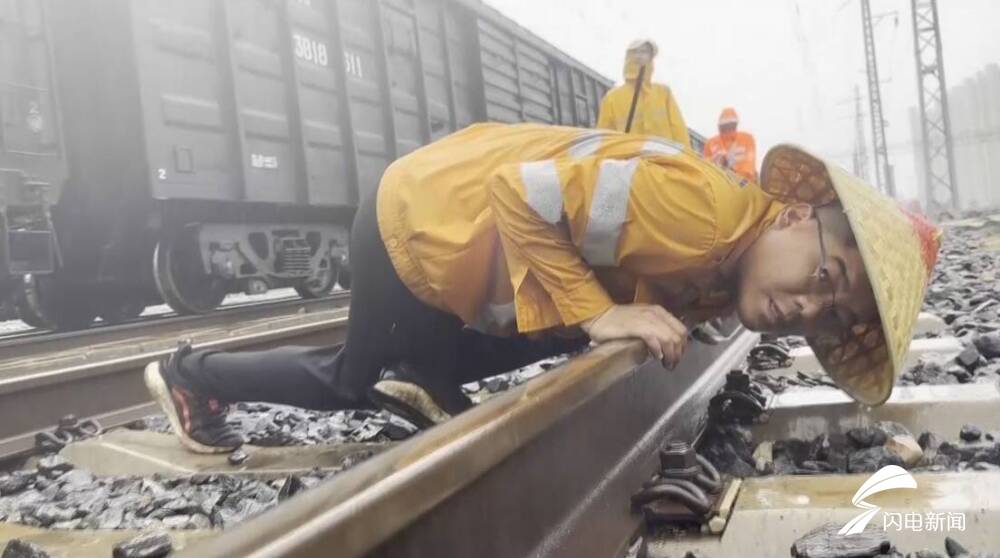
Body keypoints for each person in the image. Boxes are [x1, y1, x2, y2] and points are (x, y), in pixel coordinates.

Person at [144, 122, 940, 454]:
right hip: (420, 222)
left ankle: (390, 373)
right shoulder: (700, 213)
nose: (807, 308)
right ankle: (190, 375)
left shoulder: (721, 266)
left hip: (462, 259)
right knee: (376, 386)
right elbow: (522, 196)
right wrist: (598, 316)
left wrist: (615, 316)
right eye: (825, 277)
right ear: (799, 213)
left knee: (416, 383)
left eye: (830, 315)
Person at [596, 39, 691, 148]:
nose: (639, 56)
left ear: (650, 57)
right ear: (628, 57)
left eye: (644, 52)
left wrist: (685, 155)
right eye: (635, 52)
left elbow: (678, 129)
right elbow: (604, 137)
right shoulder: (612, 98)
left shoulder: (663, 93)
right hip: (630, 159)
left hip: (663, 159)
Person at [703, 107, 758, 182]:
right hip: (717, 182)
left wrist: (740, 179)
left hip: (743, 184)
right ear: (720, 126)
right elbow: (704, 167)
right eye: (725, 126)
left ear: (735, 125)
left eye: (731, 125)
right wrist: (715, 160)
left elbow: (749, 165)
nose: (728, 128)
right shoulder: (710, 143)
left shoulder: (747, 139)